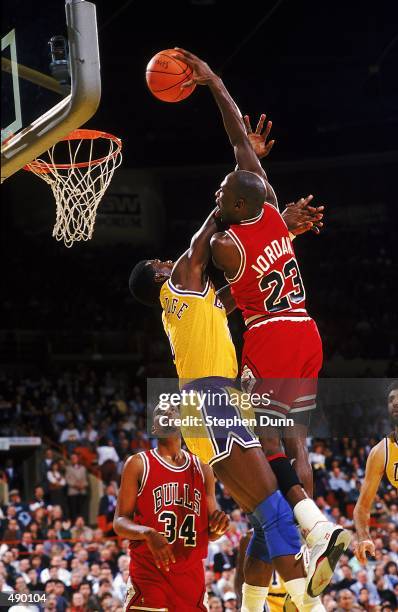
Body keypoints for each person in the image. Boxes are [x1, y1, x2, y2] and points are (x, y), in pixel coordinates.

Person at [128, 59, 334, 608]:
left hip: (223, 396)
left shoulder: (204, 298)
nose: (164, 258)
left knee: (271, 510)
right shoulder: (181, 282)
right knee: (276, 500)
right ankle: (309, 561)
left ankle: (285, 573)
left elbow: (251, 271)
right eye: (156, 260)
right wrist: (240, 194)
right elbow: (216, 230)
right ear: (157, 278)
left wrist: (271, 217)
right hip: (208, 399)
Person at [113, 403, 230, 611]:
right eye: (160, 413)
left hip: (191, 579)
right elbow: (120, 522)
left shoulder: (203, 468)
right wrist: (148, 533)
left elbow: (210, 533)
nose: (167, 414)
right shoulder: (138, 464)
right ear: (154, 427)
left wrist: (219, 527)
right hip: (149, 574)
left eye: (174, 411)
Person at [354, 381, 398, 564]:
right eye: (391, 399)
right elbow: (362, 507)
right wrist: (364, 536)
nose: (395, 402)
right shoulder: (380, 452)